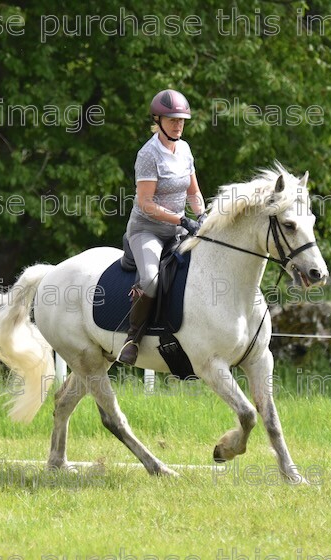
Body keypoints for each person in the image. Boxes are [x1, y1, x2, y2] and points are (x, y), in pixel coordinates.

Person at [117, 89, 206, 365]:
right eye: (172, 120)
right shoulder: (148, 154)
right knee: (152, 281)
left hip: (179, 230)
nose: (178, 125)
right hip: (148, 230)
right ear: (158, 119)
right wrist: (181, 220)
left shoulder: (185, 149)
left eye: (181, 120)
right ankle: (132, 339)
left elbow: (193, 193)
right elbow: (145, 203)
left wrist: (201, 215)